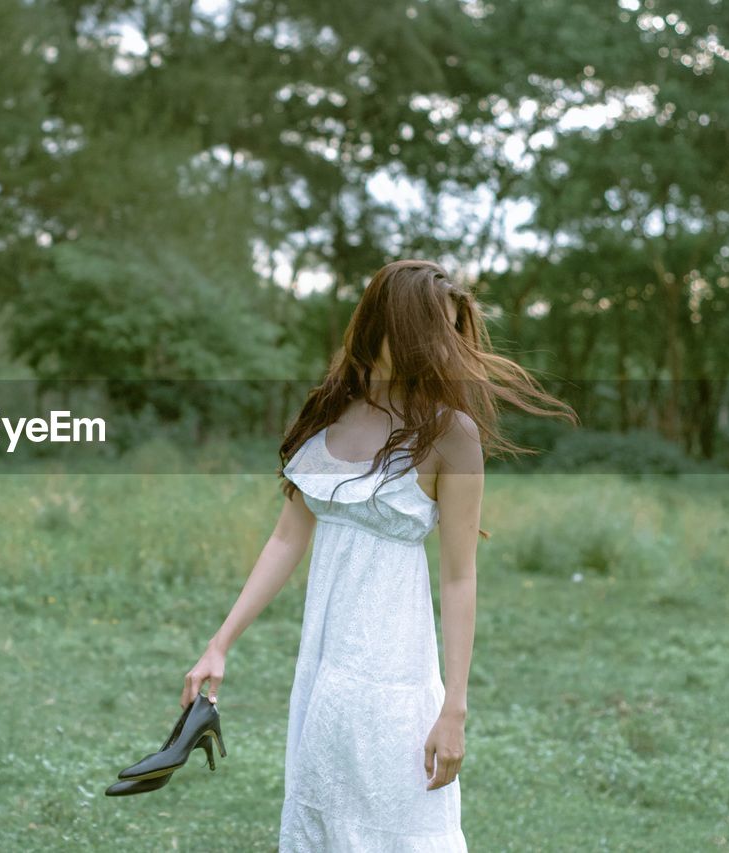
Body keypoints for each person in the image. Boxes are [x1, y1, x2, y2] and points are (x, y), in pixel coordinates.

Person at [179, 260, 577, 851]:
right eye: (428, 329)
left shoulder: (451, 434)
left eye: (448, 330)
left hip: (397, 677)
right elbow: (288, 537)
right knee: (324, 821)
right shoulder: (331, 414)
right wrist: (220, 643)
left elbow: (460, 578)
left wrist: (454, 711)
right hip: (324, 671)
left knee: (399, 828)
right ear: (383, 327)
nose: (441, 345)